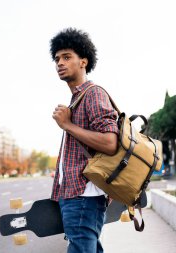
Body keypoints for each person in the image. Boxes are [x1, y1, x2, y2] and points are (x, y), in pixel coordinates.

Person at [50, 28, 119, 253]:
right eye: (57, 58)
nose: (60, 62)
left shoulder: (93, 94)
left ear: (83, 62)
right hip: (76, 195)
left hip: (84, 196)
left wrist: (67, 125)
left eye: (67, 57)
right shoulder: (77, 98)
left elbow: (110, 143)